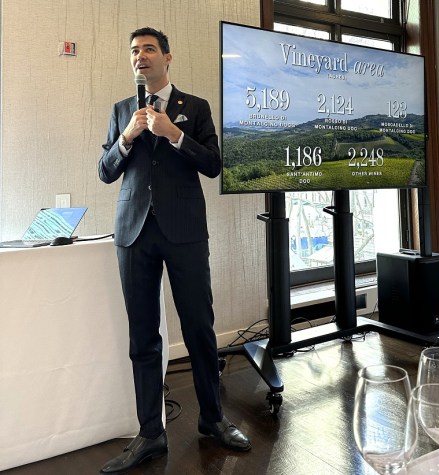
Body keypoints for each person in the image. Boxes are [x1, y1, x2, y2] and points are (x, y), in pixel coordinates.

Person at [98, 27, 250, 473]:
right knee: (143, 335)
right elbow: (105, 171)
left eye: (148, 49)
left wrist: (175, 135)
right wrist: (127, 137)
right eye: (134, 51)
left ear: (167, 57)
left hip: (184, 231)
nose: (139, 56)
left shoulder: (194, 108)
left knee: (199, 328)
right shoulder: (121, 110)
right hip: (133, 233)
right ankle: (150, 432)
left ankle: (213, 419)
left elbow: (213, 164)